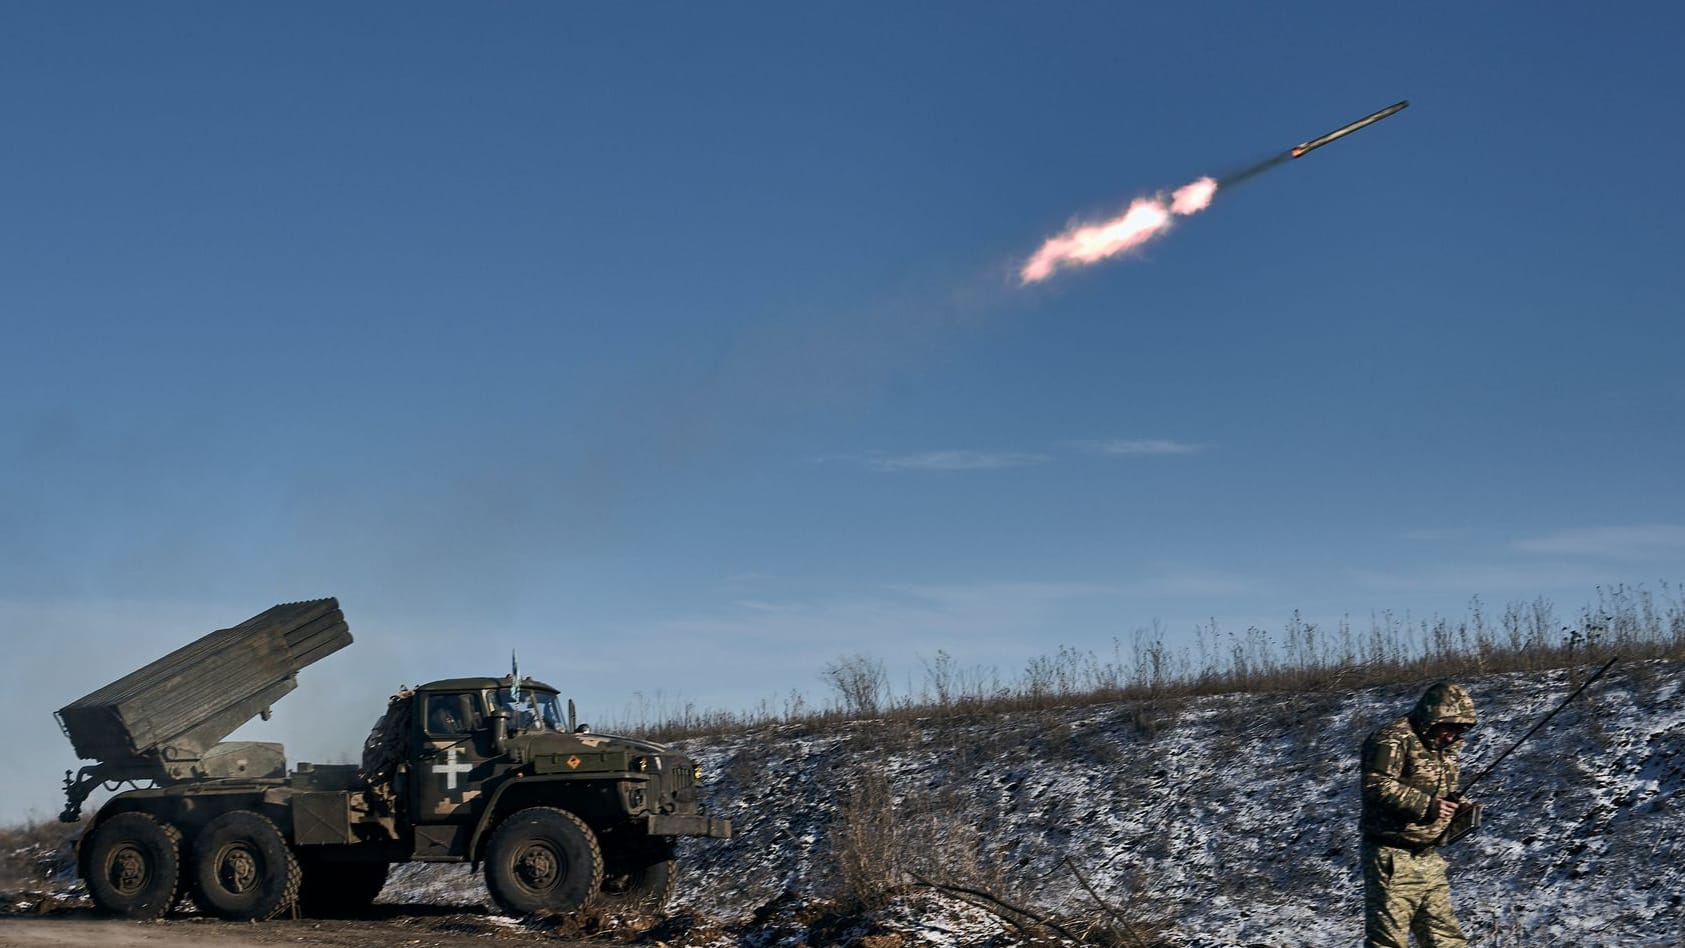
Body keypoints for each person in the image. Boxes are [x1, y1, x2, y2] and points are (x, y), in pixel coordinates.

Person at [1360, 681, 1478, 947]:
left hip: (1429, 857)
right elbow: (1376, 784)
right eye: (1449, 726)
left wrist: (1459, 805)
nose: (1452, 736)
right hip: (1392, 858)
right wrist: (1428, 805)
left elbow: (1442, 788)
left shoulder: (1444, 749)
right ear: (1432, 716)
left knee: (1447, 940)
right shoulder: (1392, 739)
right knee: (1389, 942)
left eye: (1459, 729)